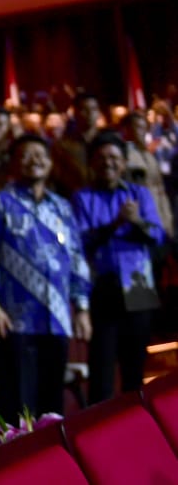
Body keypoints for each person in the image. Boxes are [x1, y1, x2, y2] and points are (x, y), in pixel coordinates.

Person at [0, 134, 92, 419]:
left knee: (52, 407)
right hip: (16, 321)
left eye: (40, 154)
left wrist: (81, 308)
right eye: (26, 155)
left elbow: (77, 257)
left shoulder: (62, 207)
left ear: (51, 162)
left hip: (57, 319)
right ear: (15, 164)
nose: (36, 160)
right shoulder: (1, 203)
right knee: (18, 405)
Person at [72, 131, 165, 402]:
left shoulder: (140, 194)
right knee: (101, 372)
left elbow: (157, 235)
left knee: (134, 372)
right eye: (100, 158)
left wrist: (135, 220)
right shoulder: (82, 197)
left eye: (113, 157)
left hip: (138, 287)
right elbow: (81, 241)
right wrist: (115, 224)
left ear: (124, 163)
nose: (107, 163)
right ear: (91, 163)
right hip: (103, 288)